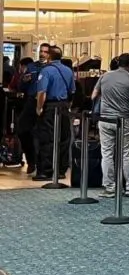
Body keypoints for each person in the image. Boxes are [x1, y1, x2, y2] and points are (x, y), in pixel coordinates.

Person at [92, 53, 129, 198]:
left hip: (105, 120)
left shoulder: (105, 76)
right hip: (122, 120)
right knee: (126, 153)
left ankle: (110, 188)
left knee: (106, 153)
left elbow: (94, 95)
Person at [35, 46, 76, 180]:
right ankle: (61, 170)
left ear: (49, 56)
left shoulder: (46, 71)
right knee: (64, 138)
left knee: (48, 138)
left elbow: (42, 92)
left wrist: (39, 108)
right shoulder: (68, 71)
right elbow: (72, 91)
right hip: (64, 106)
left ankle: (46, 171)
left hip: (50, 106)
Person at [14, 55, 42, 174]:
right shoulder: (32, 67)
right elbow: (21, 86)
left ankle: (40, 163)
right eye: (41, 51)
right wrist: (24, 81)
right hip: (31, 102)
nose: (43, 54)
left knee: (41, 134)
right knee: (23, 130)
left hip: (47, 102)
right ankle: (32, 161)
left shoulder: (51, 68)